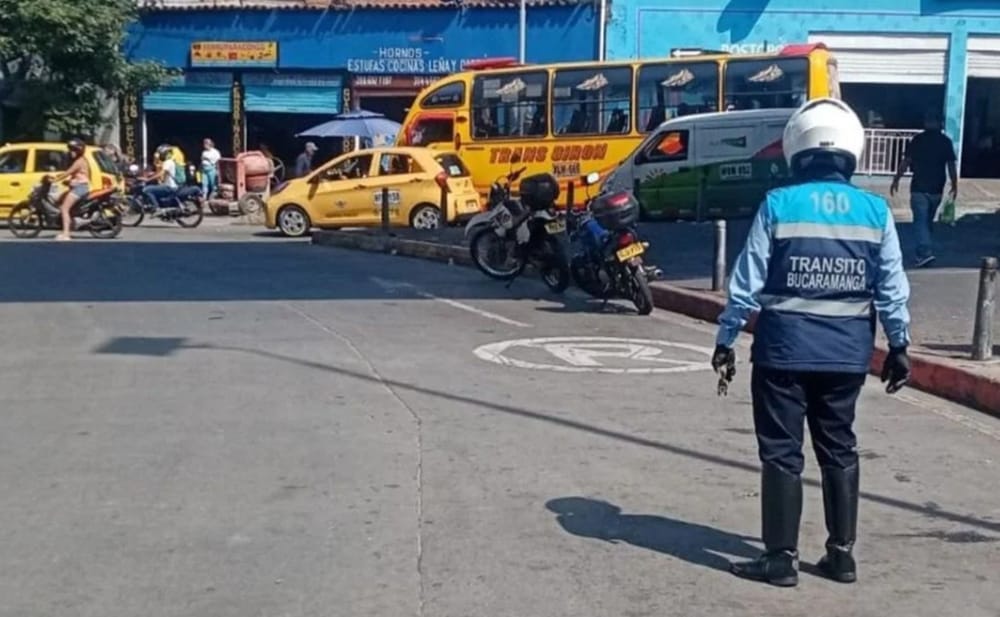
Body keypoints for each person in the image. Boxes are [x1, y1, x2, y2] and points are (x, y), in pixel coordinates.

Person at [711, 98, 913, 588]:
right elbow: (892, 286)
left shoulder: (778, 204)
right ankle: (841, 556)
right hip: (846, 356)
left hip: (783, 352)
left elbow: (746, 281)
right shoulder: (875, 211)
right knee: (839, 449)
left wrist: (726, 338)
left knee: (782, 453)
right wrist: (899, 345)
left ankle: (780, 559)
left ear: (796, 148)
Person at [890, 109, 958, 268]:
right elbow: (951, 165)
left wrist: (896, 179)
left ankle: (924, 252)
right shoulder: (945, 142)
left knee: (921, 221)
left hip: (919, 187)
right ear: (940, 123)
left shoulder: (918, 140)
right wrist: (954, 184)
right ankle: (923, 250)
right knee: (926, 221)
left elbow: (906, 161)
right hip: (937, 188)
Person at [52, 138, 91, 241]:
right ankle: (71, 223)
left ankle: (66, 234)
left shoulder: (79, 162)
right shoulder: (81, 160)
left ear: (79, 151)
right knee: (60, 199)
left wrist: (54, 180)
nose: (71, 152)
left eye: (74, 150)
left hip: (80, 188)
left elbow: (68, 173)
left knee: (64, 209)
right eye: (71, 150)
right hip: (79, 187)